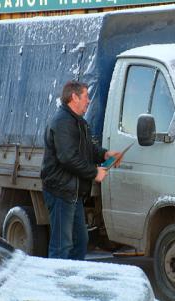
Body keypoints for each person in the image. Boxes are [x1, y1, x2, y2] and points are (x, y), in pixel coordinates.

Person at [40, 80, 120, 260]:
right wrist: (94, 172)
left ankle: (73, 280)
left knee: (80, 242)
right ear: (74, 97)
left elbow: (87, 150)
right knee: (62, 245)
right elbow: (68, 157)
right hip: (61, 191)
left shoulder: (78, 122)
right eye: (86, 96)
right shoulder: (62, 122)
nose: (89, 101)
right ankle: (56, 285)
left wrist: (105, 154)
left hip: (73, 193)